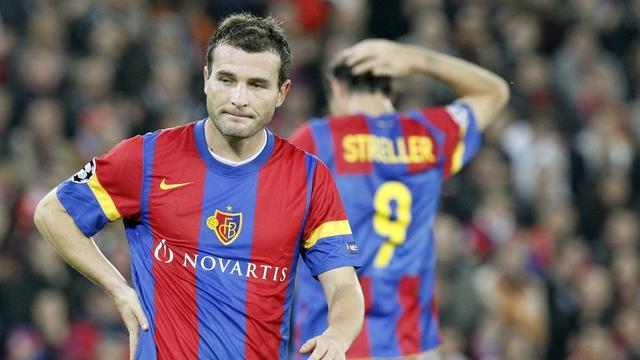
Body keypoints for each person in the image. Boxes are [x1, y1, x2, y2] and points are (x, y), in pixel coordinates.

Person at [33, 13, 364, 360]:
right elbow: (52, 212)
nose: (239, 98)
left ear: (282, 93)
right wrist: (118, 288)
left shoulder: (308, 178)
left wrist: (337, 338)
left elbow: (343, 285)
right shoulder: (146, 157)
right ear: (206, 79)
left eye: (257, 84)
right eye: (226, 79)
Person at [290, 39, 509, 358]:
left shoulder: (318, 139)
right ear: (391, 90)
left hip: (331, 339)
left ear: (336, 88)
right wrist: (416, 60)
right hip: (409, 341)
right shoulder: (428, 133)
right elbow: (495, 92)